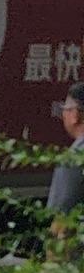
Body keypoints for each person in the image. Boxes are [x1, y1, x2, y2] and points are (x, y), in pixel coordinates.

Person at [47, 83, 84, 216]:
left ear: (75, 114)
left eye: (65, 109)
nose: (63, 115)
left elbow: (61, 218)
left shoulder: (73, 159)